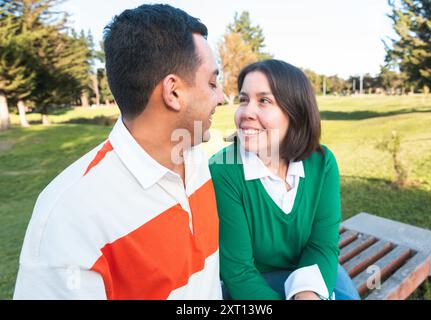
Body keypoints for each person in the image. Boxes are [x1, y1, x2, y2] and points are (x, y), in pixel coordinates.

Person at [14, 4, 224, 299]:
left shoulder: (196, 160)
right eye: (213, 83)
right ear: (173, 92)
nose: (222, 97)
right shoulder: (67, 216)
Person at [209, 59, 360, 300]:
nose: (246, 112)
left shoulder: (322, 163)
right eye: (244, 99)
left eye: (264, 101)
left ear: (295, 112)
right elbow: (238, 272)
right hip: (251, 286)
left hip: (311, 271)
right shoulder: (223, 171)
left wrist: (307, 294)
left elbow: (322, 245)